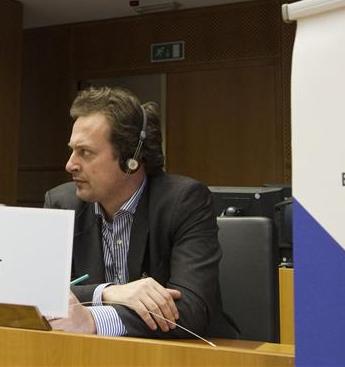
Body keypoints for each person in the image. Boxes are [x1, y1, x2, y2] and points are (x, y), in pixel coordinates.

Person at [45, 86, 235, 339]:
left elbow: (191, 309)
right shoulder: (62, 204)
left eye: (85, 152)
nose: (70, 164)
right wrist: (107, 292)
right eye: (72, 150)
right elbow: (42, 292)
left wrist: (93, 319)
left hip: (185, 353)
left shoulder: (184, 202)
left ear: (130, 159)